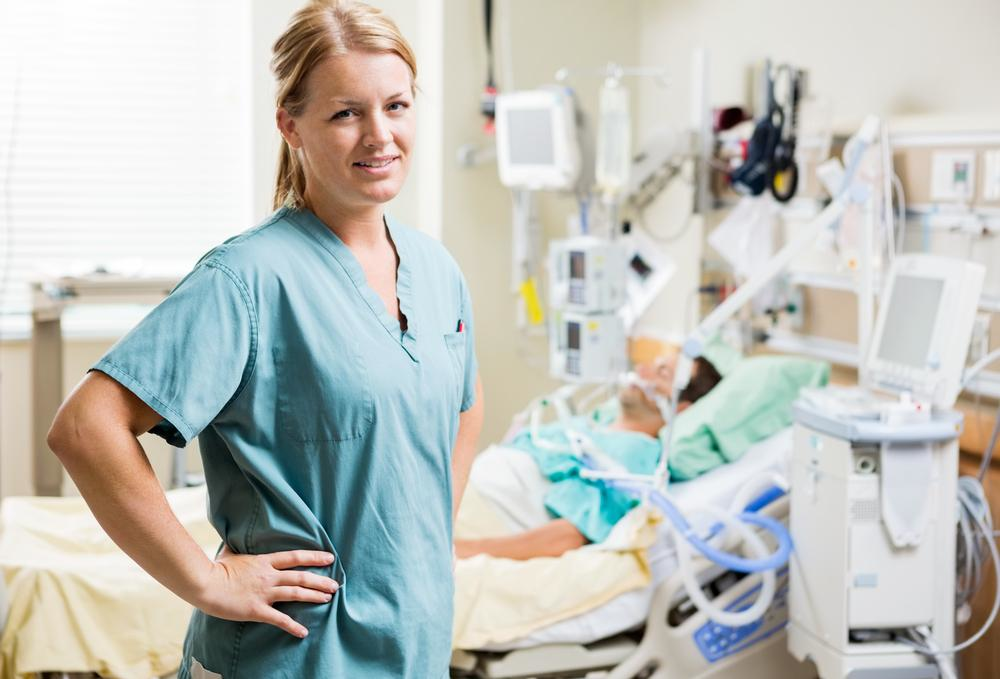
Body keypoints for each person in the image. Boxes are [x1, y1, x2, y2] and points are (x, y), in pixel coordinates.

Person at [46, 2, 483, 677]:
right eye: (345, 113)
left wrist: (423, 545)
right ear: (291, 124)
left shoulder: (438, 271)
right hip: (294, 651)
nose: (379, 135)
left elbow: (463, 403)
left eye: (396, 106)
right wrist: (207, 580)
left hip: (414, 641)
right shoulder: (247, 278)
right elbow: (84, 427)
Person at [454, 356, 721, 561]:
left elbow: (569, 535)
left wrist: (466, 550)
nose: (642, 370)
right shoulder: (588, 424)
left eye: (662, 372)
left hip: (481, 519)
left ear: (681, 407)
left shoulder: (637, 454)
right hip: (457, 495)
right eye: (652, 364)